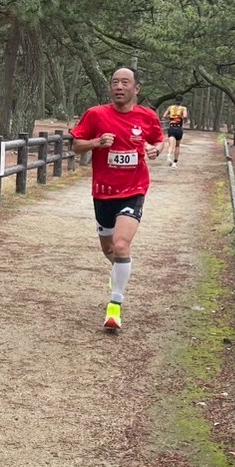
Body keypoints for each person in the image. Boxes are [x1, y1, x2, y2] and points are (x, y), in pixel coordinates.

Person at [70, 67, 164, 332]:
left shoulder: (147, 116)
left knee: (122, 245)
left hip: (134, 189)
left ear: (137, 88)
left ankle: (114, 306)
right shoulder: (96, 114)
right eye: (115, 82)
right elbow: (76, 146)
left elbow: (158, 140)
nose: (119, 87)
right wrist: (97, 143)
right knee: (109, 250)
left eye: (125, 82)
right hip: (103, 192)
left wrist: (155, 150)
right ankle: (119, 272)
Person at [163, 99, 189, 167]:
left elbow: (164, 116)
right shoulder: (183, 108)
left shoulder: (170, 107)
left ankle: (169, 154)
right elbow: (185, 116)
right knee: (177, 145)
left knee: (171, 144)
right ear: (181, 101)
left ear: (175, 101)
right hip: (179, 128)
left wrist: (171, 117)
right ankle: (175, 162)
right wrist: (181, 117)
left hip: (171, 128)